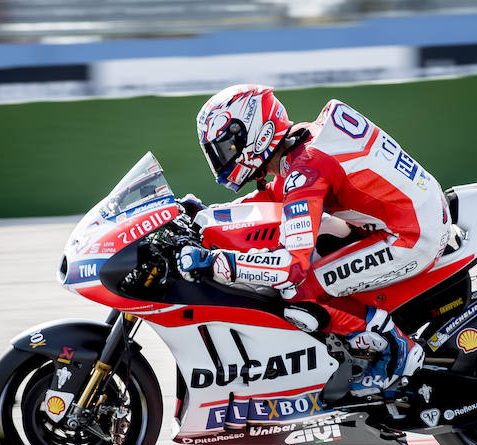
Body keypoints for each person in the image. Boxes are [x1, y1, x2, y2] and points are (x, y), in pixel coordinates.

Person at [177, 84, 451, 396]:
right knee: (315, 257)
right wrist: (207, 215)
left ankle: (394, 349)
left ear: (259, 133)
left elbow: (291, 267)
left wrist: (219, 263)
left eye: (227, 147)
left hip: (410, 235)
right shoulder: (304, 145)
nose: (223, 157)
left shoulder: (306, 169)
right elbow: (274, 195)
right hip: (401, 217)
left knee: (298, 290)